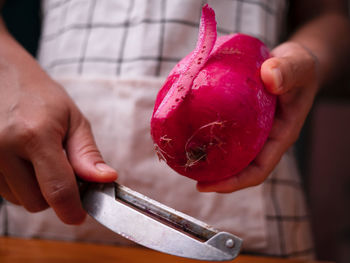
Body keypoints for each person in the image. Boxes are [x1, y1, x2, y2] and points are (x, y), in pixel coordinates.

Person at [0, 0, 349, 259]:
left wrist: (310, 57)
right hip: (48, 153)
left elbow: (331, 16)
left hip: (251, 185)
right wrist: (7, 70)